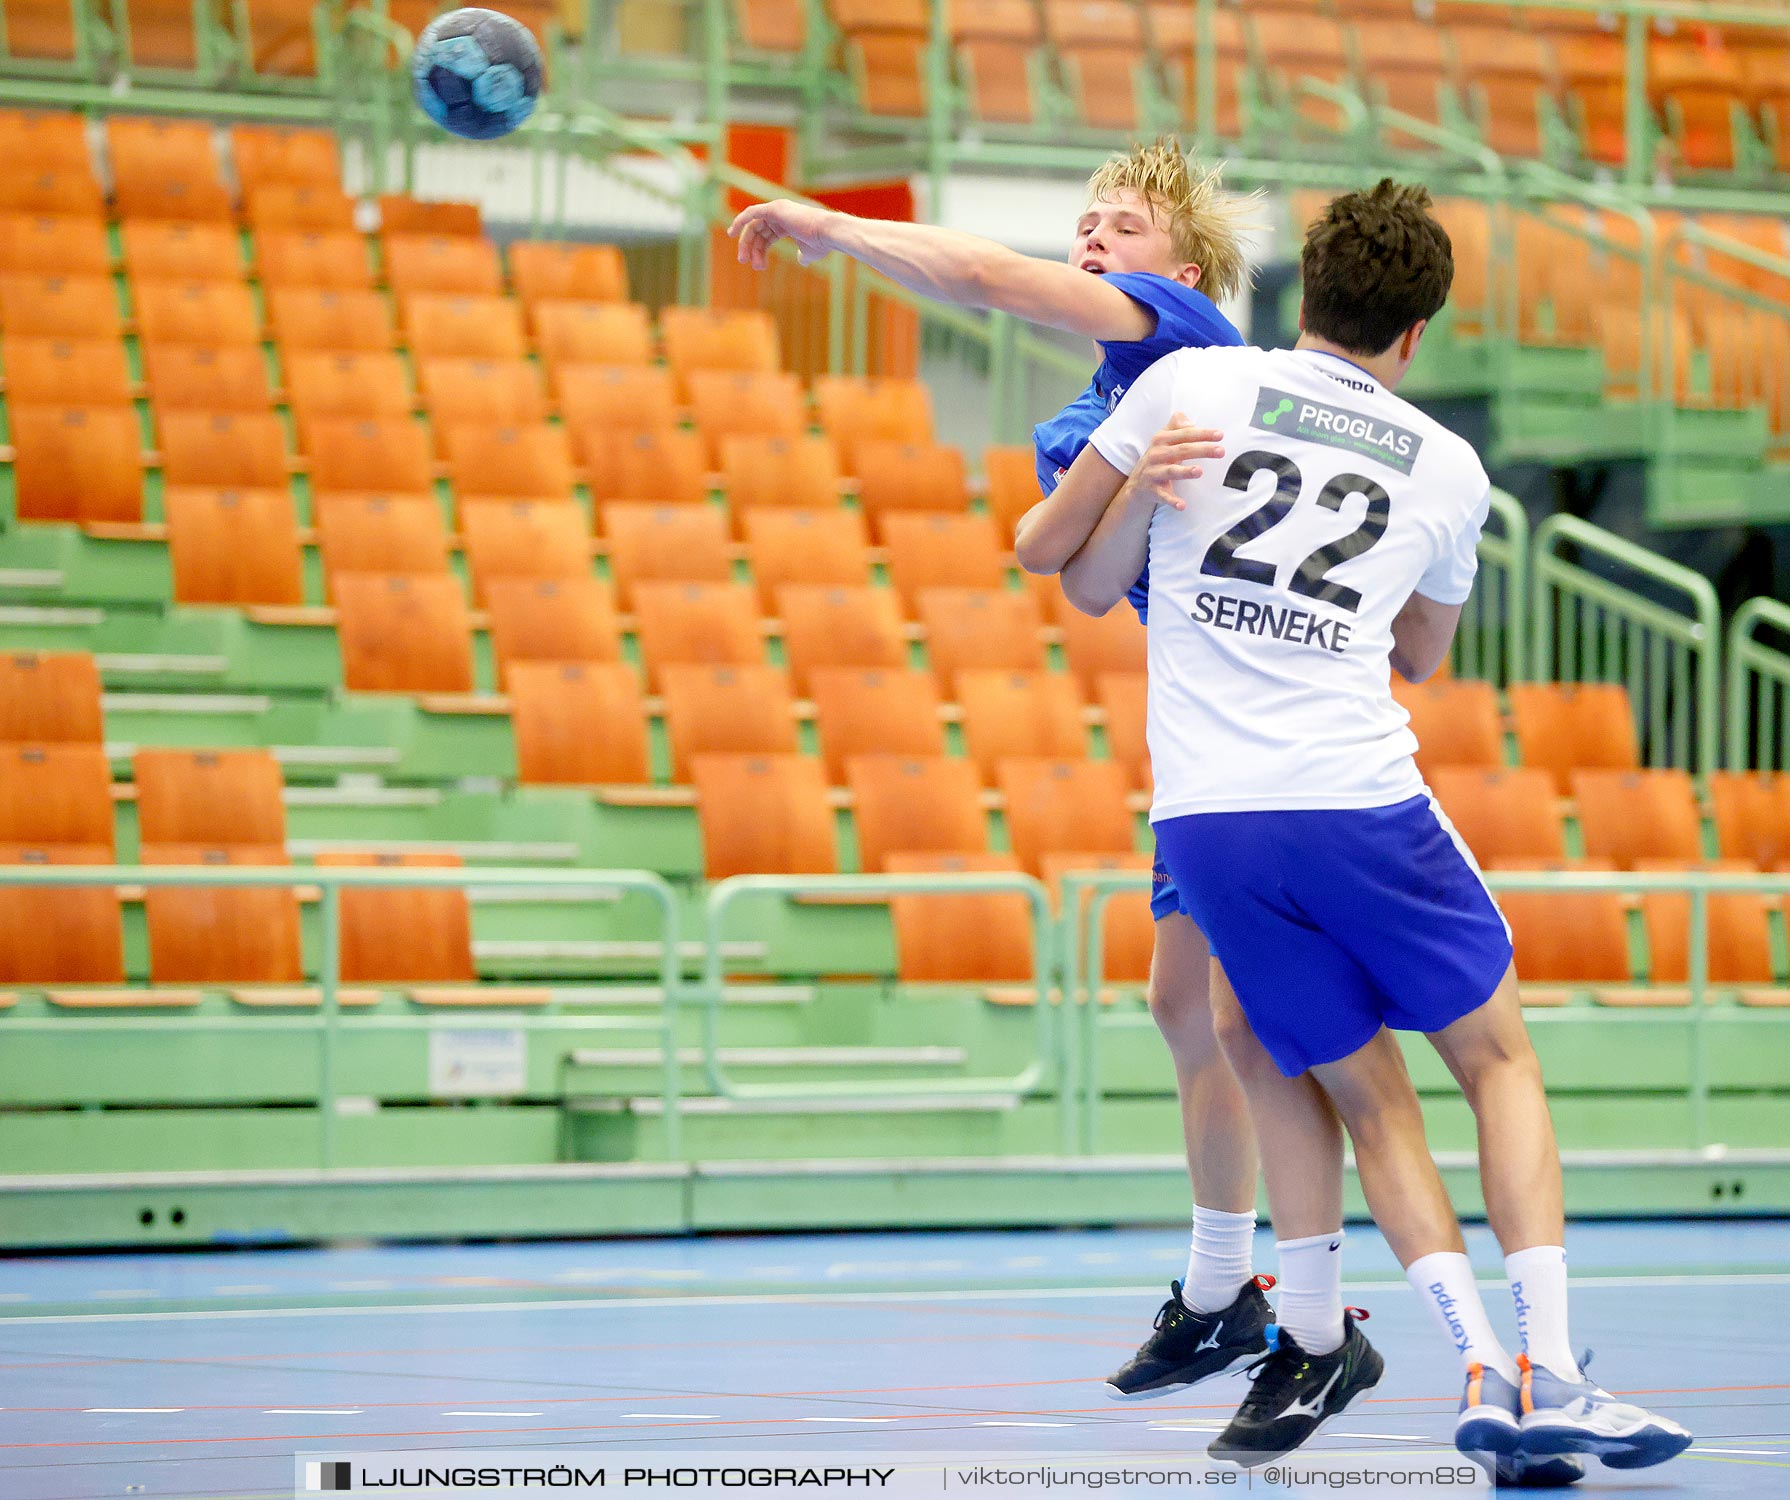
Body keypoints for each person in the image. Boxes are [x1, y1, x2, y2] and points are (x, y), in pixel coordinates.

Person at [1043, 178, 1692, 1480]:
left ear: (1300, 294)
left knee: (1366, 1100)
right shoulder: (1446, 465)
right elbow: (1423, 655)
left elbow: (1086, 579)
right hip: (1353, 800)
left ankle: (1472, 1368)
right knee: (1496, 1065)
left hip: (1212, 825)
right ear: (1413, 335)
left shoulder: (1184, 391)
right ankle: (1551, 1369)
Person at [729, 141, 1278, 1397]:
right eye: (1085, 219)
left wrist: (834, 223)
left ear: (1182, 270)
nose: (1093, 236)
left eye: (1122, 224)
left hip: (1278, 730)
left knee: (1253, 1025)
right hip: (1199, 732)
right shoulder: (1093, 423)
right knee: (1181, 1009)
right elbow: (1067, 570)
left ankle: (1301, 1295)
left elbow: (987, 277)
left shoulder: (1185, 336)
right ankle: (1222, 1289)